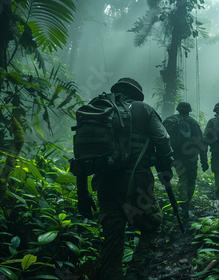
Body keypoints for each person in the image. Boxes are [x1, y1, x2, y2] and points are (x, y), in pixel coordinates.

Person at [79, 78, 174, 280]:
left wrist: (82, 193)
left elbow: (81, 155)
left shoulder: (98, 109)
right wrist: (166, 162)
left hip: (105, 186)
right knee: (153, 225)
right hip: (137, 184)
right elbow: (162, 139)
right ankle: (136, 274)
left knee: (112, 241)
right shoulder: (143, 109)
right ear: (137, 94)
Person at [162, 102, 208, 220]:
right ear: (188, 110)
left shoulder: (171, 120)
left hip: (176, 155)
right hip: (191, 156)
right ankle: (186, 204)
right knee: (191, 180)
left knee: (182, 179)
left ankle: (183, 206)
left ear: (178, 109)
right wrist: (204, 161)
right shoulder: (192, 122)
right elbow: (200, 142)